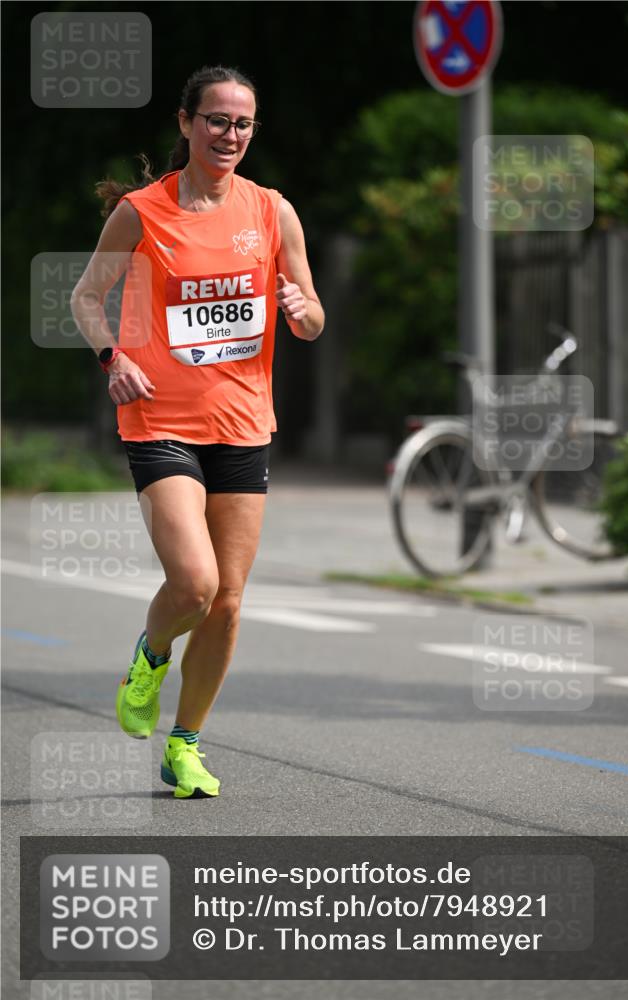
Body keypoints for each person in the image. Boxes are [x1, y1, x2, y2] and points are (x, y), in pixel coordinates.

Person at [71, 65, 324, 799]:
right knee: (195, 582)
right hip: (158, 419)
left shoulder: (273, 211)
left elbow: (311, 316)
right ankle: (148, 657)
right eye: (216, 120)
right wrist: (111, 356)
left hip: (243, 424)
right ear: (185, 124)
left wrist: (299, 310)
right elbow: (88, 297)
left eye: (243, 123)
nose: (230, 135)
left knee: (230, 600)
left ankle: (185, 744)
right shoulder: (143, 212)